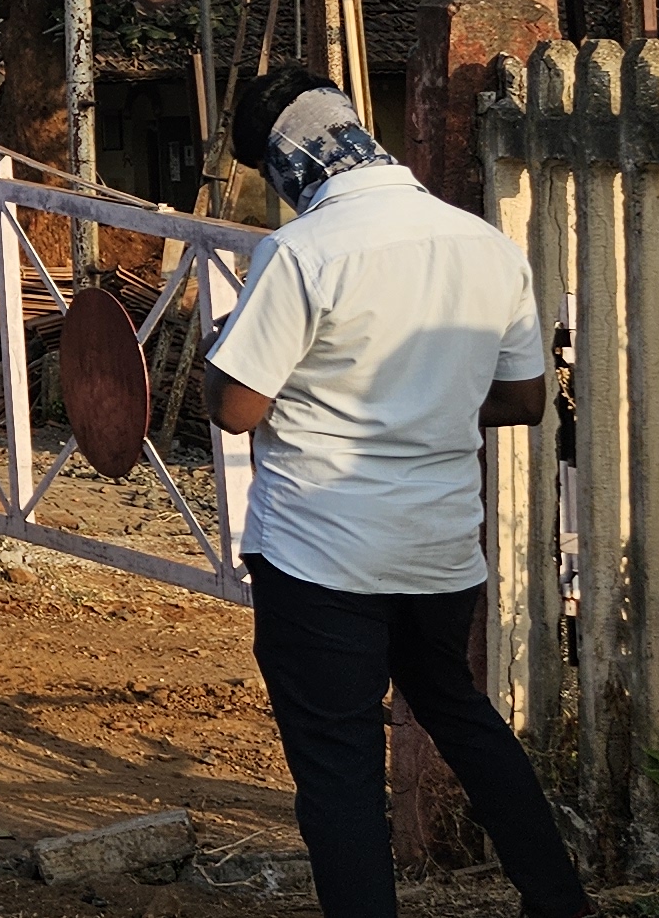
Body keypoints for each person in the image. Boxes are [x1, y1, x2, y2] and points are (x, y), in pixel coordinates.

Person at [205, 69, 581, 918]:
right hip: (441, 552)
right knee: (460, 714)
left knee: (337, 766)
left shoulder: (303, 252)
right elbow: (522, 400)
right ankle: (560, 899)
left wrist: (220, 351)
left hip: (321, 556)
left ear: (288, 161)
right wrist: (426, 400)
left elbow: (236, 406)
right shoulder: (483, 245)